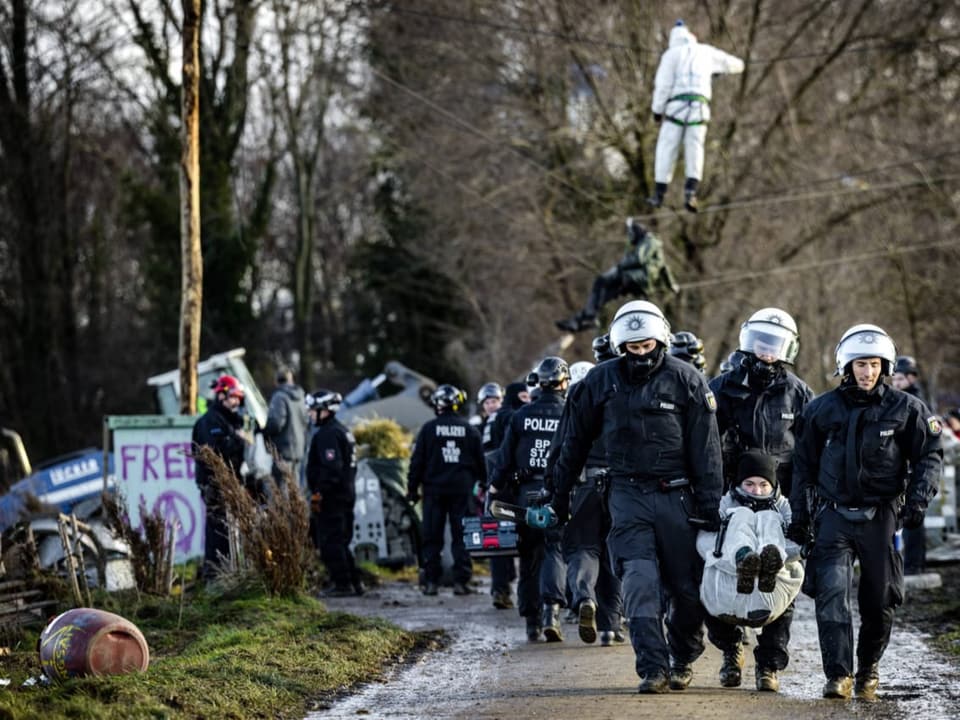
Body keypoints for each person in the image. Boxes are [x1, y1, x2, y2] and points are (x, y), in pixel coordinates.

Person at [552, 300, 723, 693]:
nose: (641, 353)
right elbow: (571, 445)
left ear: (660, 340)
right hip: (627, 495)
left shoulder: (688, 380)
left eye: (647, 345)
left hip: (680, 498)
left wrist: (711, 505)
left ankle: (683, 656)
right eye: (633, 347)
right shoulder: (598, 383)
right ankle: (653, 667)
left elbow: (707, 450)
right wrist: (557, 495)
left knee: (687, 589)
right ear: (619, 346)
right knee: (639, 580)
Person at [788, 323, 942, 700]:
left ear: (885, 366)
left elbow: (929, 455)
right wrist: (800, 517)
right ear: (846, 365)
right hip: (834, 515)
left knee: (880, 599)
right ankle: (838, 675)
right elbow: (801, 466)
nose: (867, 372)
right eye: (860, 364)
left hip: (881, 515)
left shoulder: (907, 409)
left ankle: (868, 668)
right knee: (832, 596)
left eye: (874, 364)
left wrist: (918, 499)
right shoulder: (821, 409)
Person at [704, 307, 812, 691]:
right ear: (747, 344)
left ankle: (769, 665)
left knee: (778, 576)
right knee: (719, 570)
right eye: (760, 344)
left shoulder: (799, 394)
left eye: (774, 346)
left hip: (779, 500)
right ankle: (730, 648)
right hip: (730, 497)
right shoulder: (721, 389)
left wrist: (804, 504)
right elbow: (705, 445)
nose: (766, 352)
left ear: (787, 349)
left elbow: (810, 452)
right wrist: (707, 496)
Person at [547, 342, 625, 648]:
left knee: (583, 548)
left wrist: (554, 490)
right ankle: (611, 627)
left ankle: (583, 597)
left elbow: (561, 450)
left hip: (584, 485)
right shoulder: (624, 396)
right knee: (613, 554)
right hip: (621, 487)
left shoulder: (578, 398)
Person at [488, 357, 570, 642]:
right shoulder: (570, 414)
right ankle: (552, 611)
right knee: (554, 550)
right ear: (564, 382)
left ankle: (532, 622)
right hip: (558, 496)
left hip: (525, 498)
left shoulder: (520, 416)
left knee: (528, 557)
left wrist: (495, 488)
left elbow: (504, 458)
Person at [697, 451, 804, 650]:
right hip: (728, 580)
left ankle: (768, 666)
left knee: (768, 519)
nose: (757, 490)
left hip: (771, 585)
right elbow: (704, 541)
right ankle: (743, 557)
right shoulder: (724, 504)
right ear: (739, 484)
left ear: (773, 485)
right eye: (749, 484)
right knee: (741, 516)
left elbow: (798, 543)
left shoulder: (782, 507)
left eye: (763, 485)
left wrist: (790, 553)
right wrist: (730, 561)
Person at [647, 20, 745, 212]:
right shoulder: (706, 51)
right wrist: (722, 71)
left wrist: (657, 111)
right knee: (695, 148)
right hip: (700, 109)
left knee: (667, 147)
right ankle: (691, 192)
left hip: (676, 107)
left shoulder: (670, 55)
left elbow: (663, 86)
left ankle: (659, 194)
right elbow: (734, 64)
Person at [407, 384, 486, 597]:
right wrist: (485, 485)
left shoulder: (428, 429)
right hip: (462, 491)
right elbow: (481, 462)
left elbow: (417, 462)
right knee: (462, 536)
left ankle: (431, 582)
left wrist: (412, 489)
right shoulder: (470, 430)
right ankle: (461, 582)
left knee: (432, 536)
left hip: (434, 491)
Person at [556, 218, 679, 333]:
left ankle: (588, 316)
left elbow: (639, 258)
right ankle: (585, 318)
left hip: (637, 278)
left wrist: (620, 266)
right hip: (634, 279)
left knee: (601, 281)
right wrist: (672, 284)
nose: (630, 239)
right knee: (607, 293)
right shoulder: (652, 245)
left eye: (631, 235)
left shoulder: (650, 241)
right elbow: (664, 267)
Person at [192, 374, 252, 581]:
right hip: (214, 485)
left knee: (228, 529)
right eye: (232, 397)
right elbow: (215, 453)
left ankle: (227, 571)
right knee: (218, 529)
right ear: (221, 396)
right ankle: (215, 573)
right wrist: (238, 440)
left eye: (238, 398)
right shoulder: (209, 422)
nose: (236, 402)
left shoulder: (230, 421)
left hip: (230, 484)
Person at [305, 389, 363, 597]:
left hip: (333, 499)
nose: (310, 414)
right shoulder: (341, 430)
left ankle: (342, 585)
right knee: (341, 541)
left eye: (313, 410)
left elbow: (332, 468)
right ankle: (354, 582)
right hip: (344, 495)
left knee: (331, 542)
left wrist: (319, 493)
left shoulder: (328, 434)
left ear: (325, 411)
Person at [891, 356, 931, 574]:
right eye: (894, 379)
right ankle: (908, 563)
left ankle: (914, 564)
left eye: (899, 378)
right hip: (901, 467)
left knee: (914, 518)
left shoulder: (917, 403)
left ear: (911, 378)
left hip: (914, 469)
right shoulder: (897, 400)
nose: (895, 383)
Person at [261, 368, 309, 490]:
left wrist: (263, 430)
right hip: (298, 451)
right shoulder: (301, 396)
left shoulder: (279, 397)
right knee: (295, 490)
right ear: (291, 379)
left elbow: (276, 424)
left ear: (276, 381)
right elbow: (306, 422)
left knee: (282, 492)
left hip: (283, 451)